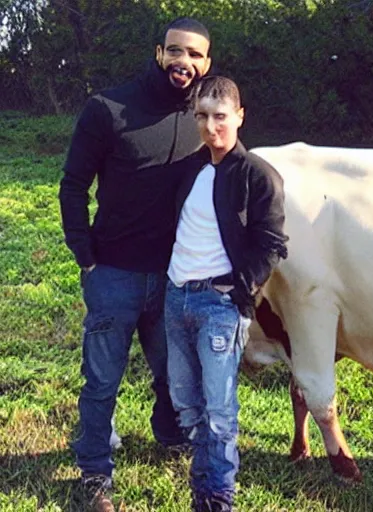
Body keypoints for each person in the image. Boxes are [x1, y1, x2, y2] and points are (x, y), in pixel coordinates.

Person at [58, 17, 212, 512]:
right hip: (114, 272)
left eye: (194, 55)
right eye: (175, 51)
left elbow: (235, 169)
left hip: (174, 276)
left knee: (174, 374)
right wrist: (84, 254)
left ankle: (169, 434)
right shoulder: (108, 109)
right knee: (102, 380)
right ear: (158, 52)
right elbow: (73, 184)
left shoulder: (203, 118)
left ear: (206, 64)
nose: (183, 62)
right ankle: (93, 474)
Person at [164, 76, 289, 512]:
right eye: (202, 116)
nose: (211, 126)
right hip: (175, 297)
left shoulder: (257, 174)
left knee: (218, 413)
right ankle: (202, 492)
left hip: (218, 306)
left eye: (220, 116)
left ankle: (218, 501)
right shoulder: (191, 168)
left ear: (239, 116)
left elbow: (272, 243)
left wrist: (240, 290)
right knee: (187, 405)